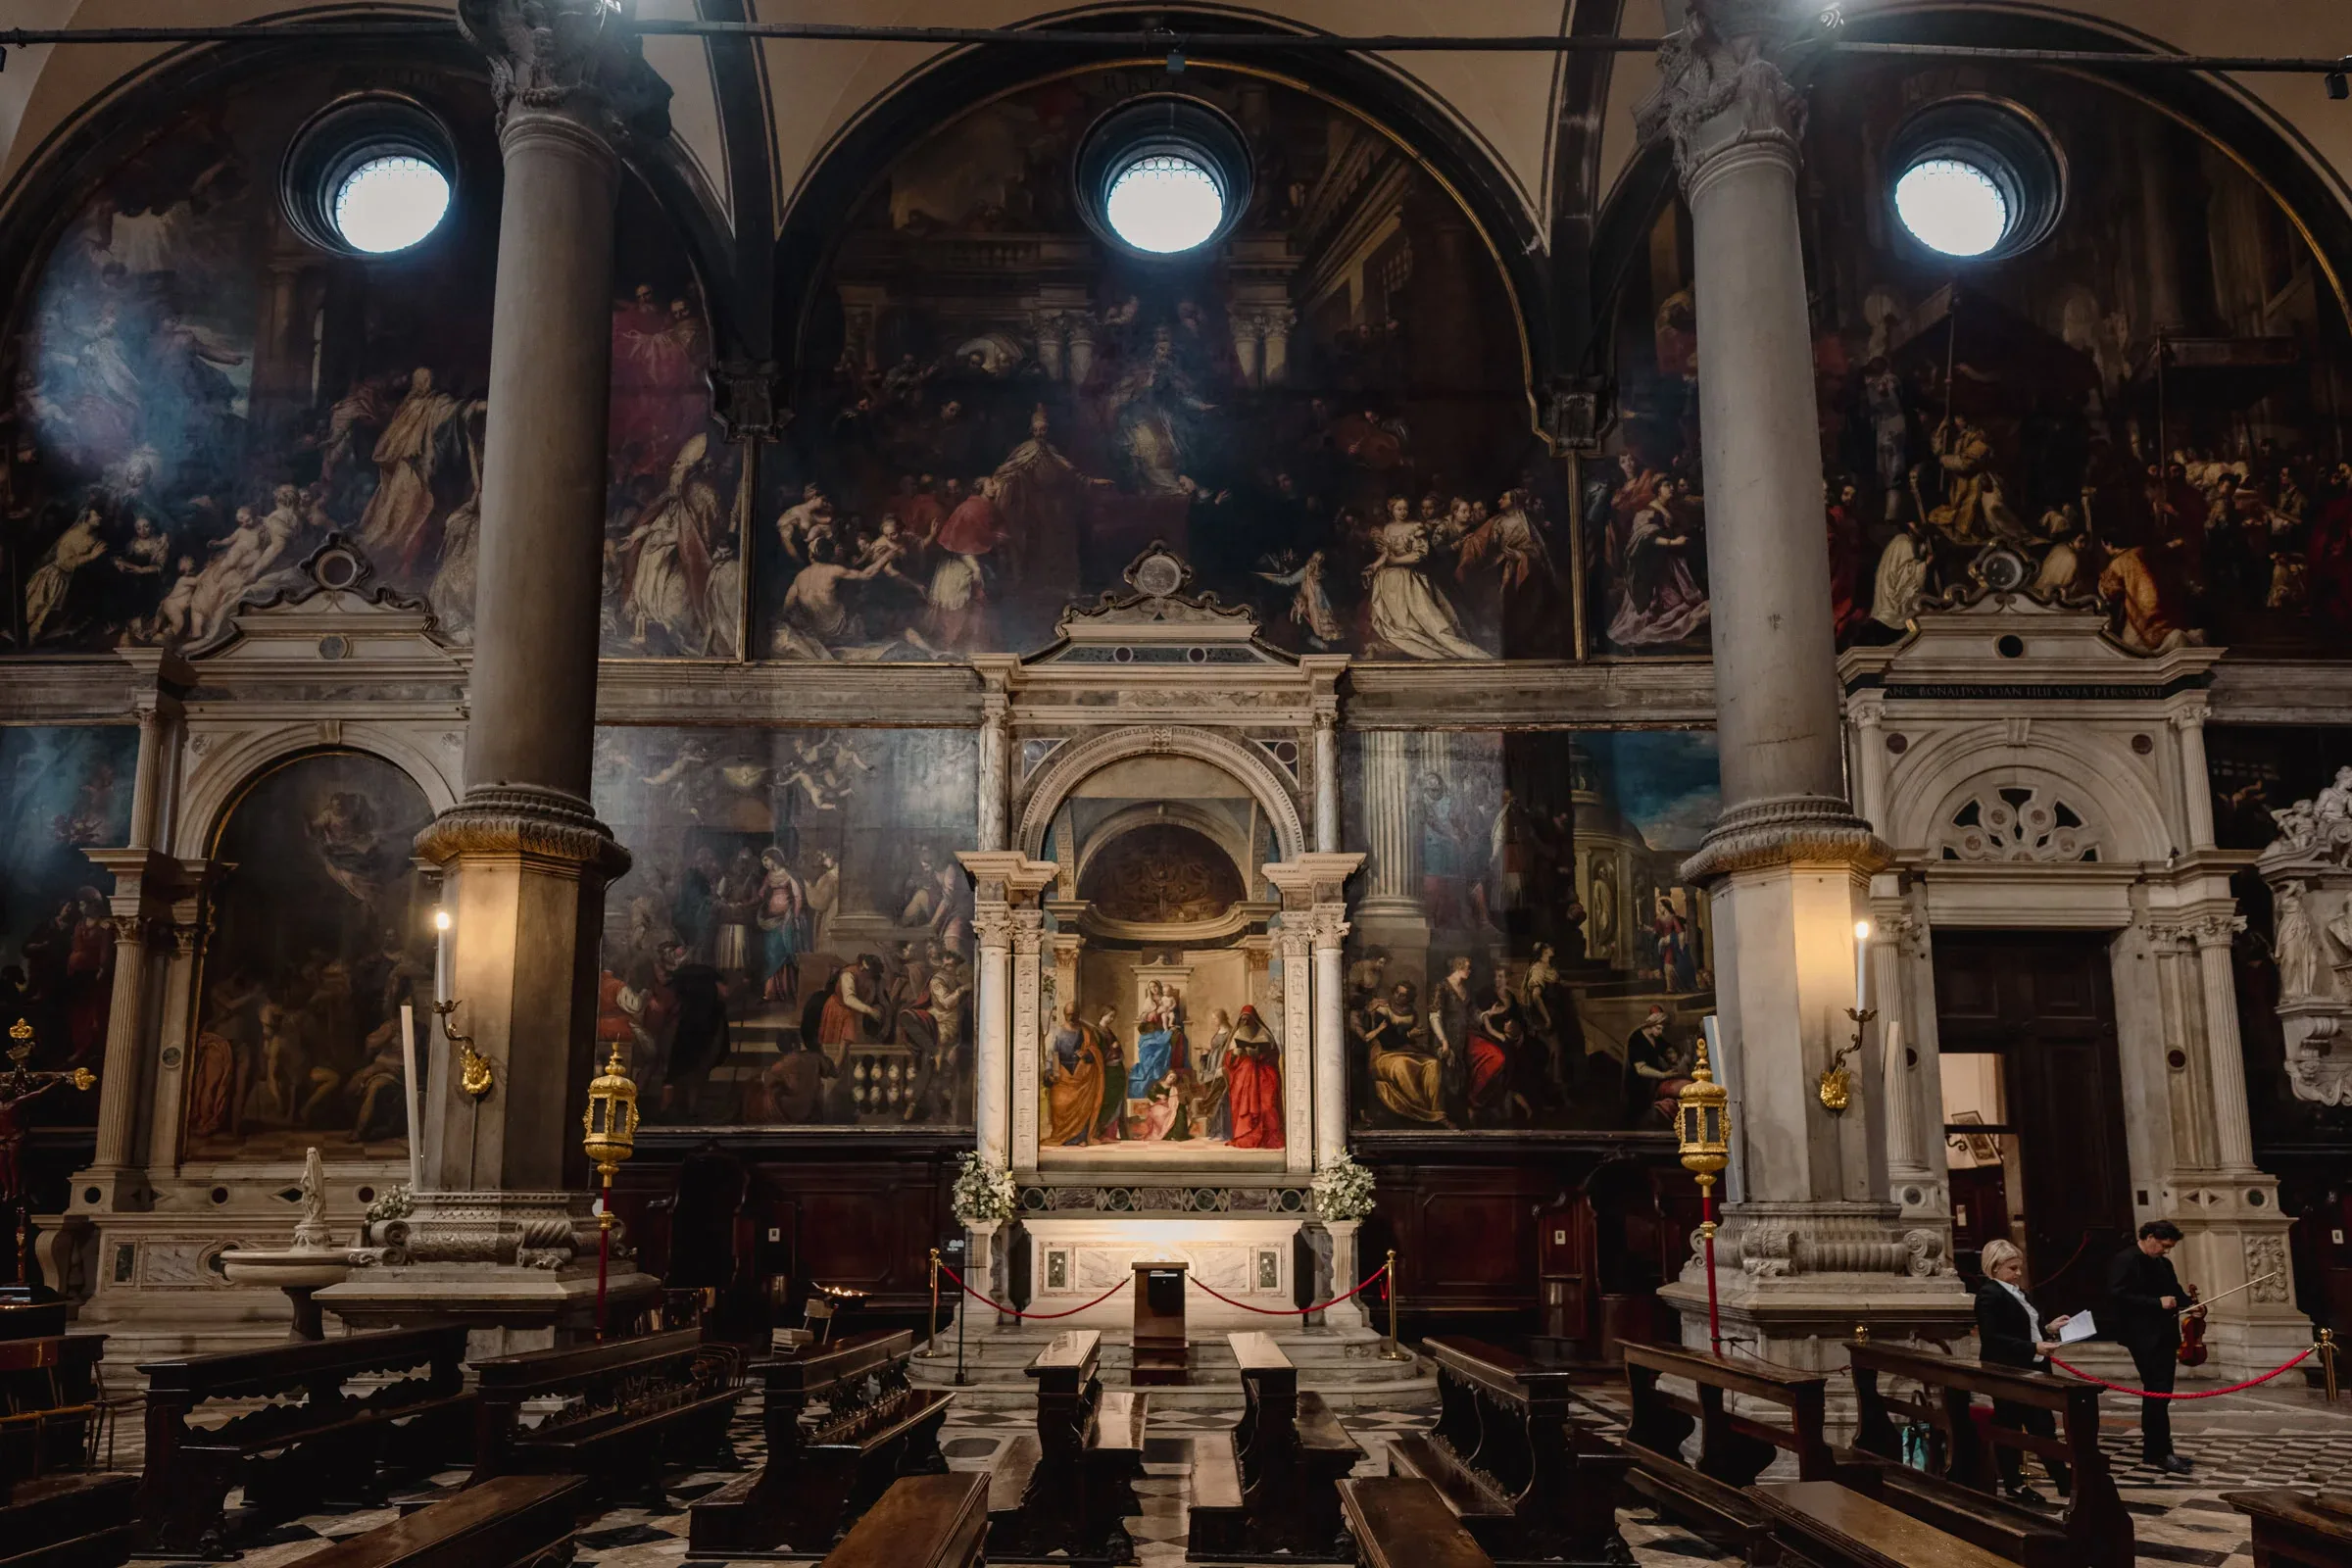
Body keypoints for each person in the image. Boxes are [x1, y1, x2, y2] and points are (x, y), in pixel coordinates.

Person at [1975, 1239, 2075, 1504]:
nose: (2018, 1273)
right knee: (2012, 1428)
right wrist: (2034, 1346)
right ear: (1994, 1268)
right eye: (2012, 1268)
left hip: (2032, 1368)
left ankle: (2065, 1483)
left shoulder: (2020, 1293)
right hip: (2009, 1371)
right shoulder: (1989, 1294)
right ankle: (2015, 1483)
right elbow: (1993, 1338)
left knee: (2043, 1426)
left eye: (2019, 1267)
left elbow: (2027, 1327)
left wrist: (2049, 1329)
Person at [2105, 1219, 2193, 1474]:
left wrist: (2192, 1305)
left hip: (2165, 1335)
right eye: (2164, 1245)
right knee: (2156, 1393)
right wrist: (2157, 1303)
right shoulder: (2126, 1259)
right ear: (2150, 1237)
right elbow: (2117, 1294)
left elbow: (2175, 1293)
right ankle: (2159, 1452)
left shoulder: (2163, 1263)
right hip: (2142, 1336)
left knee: (2161, 1395)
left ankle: (2159, 1450)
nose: (2166, 1251)